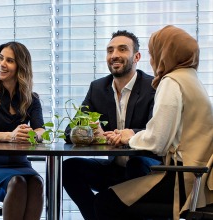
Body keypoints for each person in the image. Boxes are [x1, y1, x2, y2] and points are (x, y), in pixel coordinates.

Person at [97, 25, 213, 220]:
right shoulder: (191, 79)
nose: (152, 60)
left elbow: (157, 141)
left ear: (165, 53)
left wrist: (130, 136)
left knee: (104, 202)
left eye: (154, 53)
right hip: (199, 181)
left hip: (181, 180)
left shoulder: (172, 81)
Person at [62, 30, 161, 220]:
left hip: (146, 167)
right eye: (110, 50)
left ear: (137, 56)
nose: (114, 55)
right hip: (114, 167)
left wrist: (130, 134)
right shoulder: (98, 88)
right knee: (69, 168)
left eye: (122, 49)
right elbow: (70, 131)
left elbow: (157, 131)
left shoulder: (153, 87)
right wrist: (91, 134)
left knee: (136, 163)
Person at [0, 41, 45, 220]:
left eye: (9, 60)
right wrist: (11, 136)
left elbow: (41, 130)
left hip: (20, 164)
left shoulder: (31, 99)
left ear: (21, 67)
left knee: (36, 182)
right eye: (0, 58)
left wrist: (33, 135)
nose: (2, 64)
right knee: (17, 182)